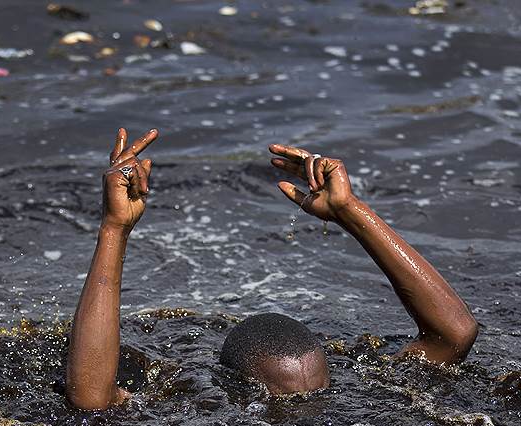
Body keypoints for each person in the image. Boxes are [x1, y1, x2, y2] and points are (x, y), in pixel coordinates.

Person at [65, 128, 478, 410]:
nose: (305, 421)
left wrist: (351, 212)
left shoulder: (363, 400)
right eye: (282, 406)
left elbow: (455, 336)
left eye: (317, 398)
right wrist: (114, 229)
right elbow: (92, 400)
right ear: (232, 394)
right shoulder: (202, 415)